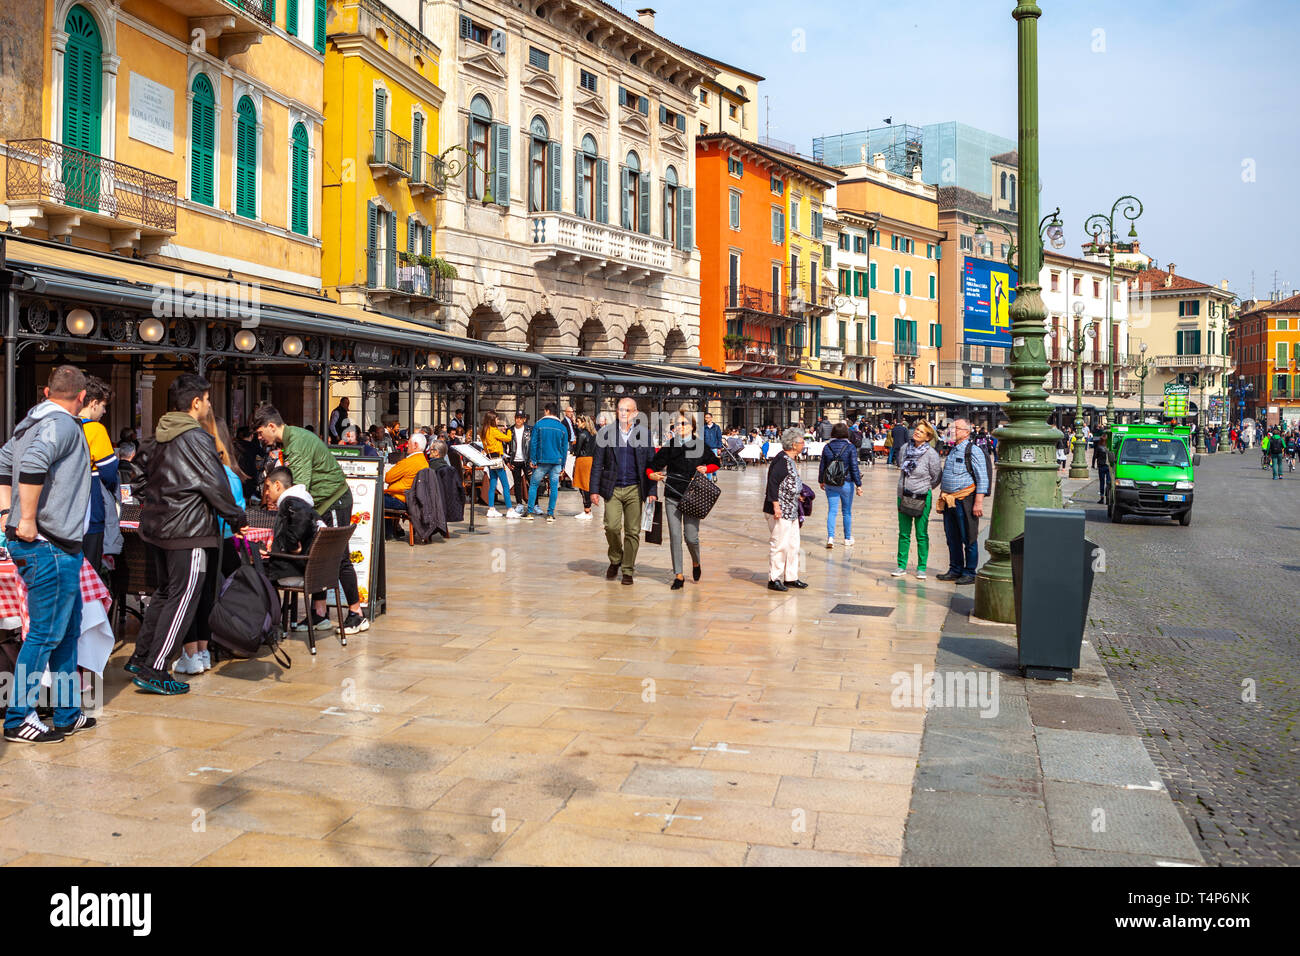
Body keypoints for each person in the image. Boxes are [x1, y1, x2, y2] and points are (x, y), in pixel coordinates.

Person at [128, 374, 247, 695]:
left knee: (165, 594)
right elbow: (216, 485)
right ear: (196, 403)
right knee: (182, 600)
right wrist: (237, 519)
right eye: (207, 400)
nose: (209, 405)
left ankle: (140, 658)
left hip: (157, 529)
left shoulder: (157, 436)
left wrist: (160, 502)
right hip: (189, 532)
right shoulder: (197, 438)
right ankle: (156, 667)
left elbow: (137, 480)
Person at [0, 365, 94, 742]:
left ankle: (67, 713)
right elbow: (34, 463)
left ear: (46, 391)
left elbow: (5, 462)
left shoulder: (28, 423)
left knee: (67, 630)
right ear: (82, 397)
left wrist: (7, 512)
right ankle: (18, 718)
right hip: (48, 545)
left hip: (53, 544)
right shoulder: (64, 426)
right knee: (43, 635)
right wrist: (24, 519)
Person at [251, 404, 369, 635]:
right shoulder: (292, 440)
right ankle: (319, 613)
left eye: (259, 433)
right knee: (317, 557)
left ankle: (357, 613)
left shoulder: (297, 443)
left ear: (271, 426)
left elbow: (298, 487)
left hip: (333, 500)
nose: (259, 438)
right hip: (320, 504)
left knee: (339, 557)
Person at [180, 414, 249, 675]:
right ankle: (203, 650)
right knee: (206, 593)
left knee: (192, 595)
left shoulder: (212, 473)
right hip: (227, 541)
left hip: (205, 536)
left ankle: (193, 653)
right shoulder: (231, 472)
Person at [647, 412, 719, 588]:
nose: (679, 427)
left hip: (693, 495)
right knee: (675, 536)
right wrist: (652, 475)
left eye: (683, 424)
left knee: (691, 537)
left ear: (692, 427)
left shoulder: (700, 445)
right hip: (672, 493)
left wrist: (706, 468)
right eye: (677, 425)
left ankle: (696, 562)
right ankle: (678, 575)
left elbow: (716, 462)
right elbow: (652, 465)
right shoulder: (670, 445)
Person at [588, 397, 656, 585]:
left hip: (635, 488)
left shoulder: (644, 434)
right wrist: (593, 490)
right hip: (613, 488)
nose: (623, 413)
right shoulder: (606, 433)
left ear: (635, 413)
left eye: (627, 410)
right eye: (620, 409)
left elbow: (652, 464)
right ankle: (616, 558)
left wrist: (652, 490)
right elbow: (597, 464)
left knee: (633, 531)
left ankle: (627, 569)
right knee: (611, 526)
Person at [935, 419, 989, 586]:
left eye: (956, 428)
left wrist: (978, 502)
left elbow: (982, 478)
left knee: (969, 536)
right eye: (951, 427)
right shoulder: (952, 450)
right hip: (949, 500)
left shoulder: (973, 450)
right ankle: (955, 568)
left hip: (965, 500)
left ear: (967, 431)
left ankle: (970, 571)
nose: (952, 430)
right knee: (952, 537)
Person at [891, 420, 943, 580]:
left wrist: (924, 488)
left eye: (921, 431)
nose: (916, 432)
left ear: (928, 437)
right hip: (903, 494)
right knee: (904, 533)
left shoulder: (931, 454)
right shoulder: (905, 449)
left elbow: (936, 476)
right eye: (916, 430)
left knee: (921, 533)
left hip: (922, 496)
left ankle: (921, 567)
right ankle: (901, 565)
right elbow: (901, 465)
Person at [77, 377, 118, 574]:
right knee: (89, 571)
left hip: (63, 517)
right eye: (102, 405)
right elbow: (109, 474)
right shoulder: (95, 430)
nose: (104, 411)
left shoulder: (62, 425)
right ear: (93, 404)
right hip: (91, 512)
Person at [763, 427, 808, 592]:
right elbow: (773, 484)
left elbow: (789, 483)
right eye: (802, 442)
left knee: (793, 544)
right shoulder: (782, 460)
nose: (804, 445)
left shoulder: (790, 459)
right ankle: (774, 578)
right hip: (780, 510)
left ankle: (791, 577)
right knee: (780, 544)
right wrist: (776, 505)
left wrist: (799, 495)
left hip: (792, 509)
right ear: (794, 444)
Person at [261, 467, 320, 584]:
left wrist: (292, 546)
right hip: (308, 568)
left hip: (291, 571)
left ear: (277, 485)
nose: (266, 492)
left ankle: (271, 603)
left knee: (249, 571)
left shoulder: (289, 502)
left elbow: (302, 516)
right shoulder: (300, 500)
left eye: (268, 487)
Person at [819, 422, 862, 549]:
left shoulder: (827, 447)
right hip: (846, 482)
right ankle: (847, 538)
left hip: (831, 482)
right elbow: (854, 467)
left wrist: (821, 480)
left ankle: (830, 537)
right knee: (846, 512)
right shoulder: (850, 447)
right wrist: (858, 484)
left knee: (832, 511)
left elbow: (823, 466)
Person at [525, 403, 570, 522]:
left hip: (541, 461)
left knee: (534, 485)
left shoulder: (539, 424)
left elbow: (533, 443)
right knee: (554, 487)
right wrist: (563, 464)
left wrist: (532, 459)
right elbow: (564, 448)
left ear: (547, 411)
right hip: (556, 461)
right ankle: (550, 514)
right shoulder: (562, 428)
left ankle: (530, 512)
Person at [383, 433, 429, 539]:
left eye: (409, 443)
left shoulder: (409, 462)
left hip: (401, 499)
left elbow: (388, 477)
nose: (407, 445)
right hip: (414, 500)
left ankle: (387, 532)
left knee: (376, 498)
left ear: (415, 445)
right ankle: (394, 529)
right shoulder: (424, 462)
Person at [479, 410, 517, 518]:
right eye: (496, 419)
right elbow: (508, 438)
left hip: (490, 459)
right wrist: (509, 430)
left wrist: (499, 430)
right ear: (492, 420)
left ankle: (491, 508)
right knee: (505, 485)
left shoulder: (484, 431)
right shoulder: (493, 431)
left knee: (493, 484)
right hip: (498, 459)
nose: (498, 420)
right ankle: (510, 509)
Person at [505, 412, 532, 516]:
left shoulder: (530, 430)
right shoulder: (510, 430)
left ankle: (534, 504)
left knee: (531, 482)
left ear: (524, 419)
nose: (519, 420)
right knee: (517, 483)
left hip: (526, 460)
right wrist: (507, 461)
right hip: (514, 460)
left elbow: (533, 445)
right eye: (517, 418)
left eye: (521, 418)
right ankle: (519, 503)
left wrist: (533, 460)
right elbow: (504, 447)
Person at [572, 414, 597, 521]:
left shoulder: (582, 434)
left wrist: (574, 446)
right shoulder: (593, 434)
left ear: (583, 422)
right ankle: (588, 509)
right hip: (590, 460)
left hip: (582, 460)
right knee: (587, 485)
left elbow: (577, 451)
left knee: (583, 486)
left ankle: (587, 510)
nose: (577, 424)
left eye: (578, 422)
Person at [1092, 425, 1111, 503]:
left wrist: (1093, 465)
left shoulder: (1099, 447)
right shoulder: (1109, 447)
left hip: (1101, 466)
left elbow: (1094, 456)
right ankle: (1108, 498)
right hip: (1108, 466)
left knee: (1102, 482)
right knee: (1108, 482)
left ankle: (1102, 498)